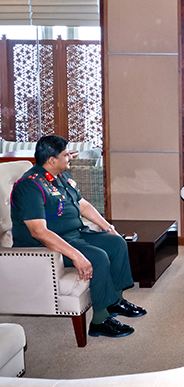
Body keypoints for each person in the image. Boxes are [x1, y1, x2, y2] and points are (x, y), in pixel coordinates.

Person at [10, 135, 146, 339]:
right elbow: (39, 232)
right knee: (98, 257)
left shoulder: (60, 176)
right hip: (46, 247)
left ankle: (115, 302)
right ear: (52, 160)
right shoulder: (29, 186)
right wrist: (76, 255)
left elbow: (83, 205)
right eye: (66, 155)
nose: (70, 157)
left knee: (117, 243)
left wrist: (109, 228)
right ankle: (100, 321)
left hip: (75, 234)